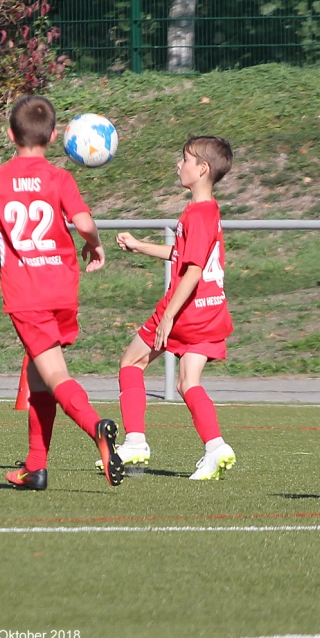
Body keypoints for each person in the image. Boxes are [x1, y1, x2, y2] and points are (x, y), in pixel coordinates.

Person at [0, 95, 124, 490]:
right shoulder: (60, 178)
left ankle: (96, 426)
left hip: (26, 293)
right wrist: (95, 244)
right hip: (62, 289)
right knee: (38, 374)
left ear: (9, 134)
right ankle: (35, 467)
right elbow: (83, 223)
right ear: (53, 137)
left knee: (53, 374)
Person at [108, 136, 236, 480]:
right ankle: (215, 447)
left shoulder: (196, 214)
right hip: (212, 310)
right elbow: (184, 255)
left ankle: (135, 441)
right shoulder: (210, 210)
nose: (179, 165)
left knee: (131, 362)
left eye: (185, 159)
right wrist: (140, 246)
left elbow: (192, 270)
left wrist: (168, 316)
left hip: (186, 312)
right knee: (188, 382)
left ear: (202, 169)